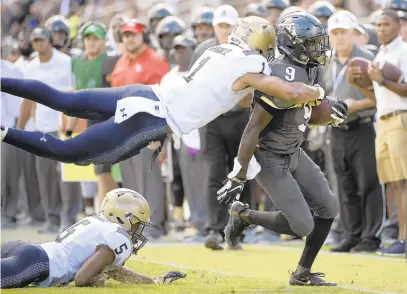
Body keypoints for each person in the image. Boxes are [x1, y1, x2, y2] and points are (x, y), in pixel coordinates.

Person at [0, 16, 326, 175]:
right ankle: (5, 133)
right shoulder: (252, 64)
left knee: (64, 100)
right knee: (71, 152)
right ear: (260, 46)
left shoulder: (219, 51)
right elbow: (284, 90)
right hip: (151, 117)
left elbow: (236, 98)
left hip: (143, 94)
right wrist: (315, 91)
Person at [217, 12, 347, 286]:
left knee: (328, 207)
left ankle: (302, 273)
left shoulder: (308, 66)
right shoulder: (280, 74)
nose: (318, 48)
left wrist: (330, 113)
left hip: (293, 151)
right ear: (293, 45)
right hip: (269, 157)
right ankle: (243, 215)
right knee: (301, 225)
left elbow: (300, 115)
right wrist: (239, 175)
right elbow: (252, 128)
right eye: (311, 43)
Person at [0, 188, 186, 288]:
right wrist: (97, 281)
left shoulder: (98, 223)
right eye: (137, 223)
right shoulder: (117, 236)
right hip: (38, 263)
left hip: (25, 250)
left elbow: (110, 269)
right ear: (124, 217)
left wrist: (150, 281)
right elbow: (82, 279)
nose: (137, 231)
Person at [320, 11, 383, 253]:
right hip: (337, 129)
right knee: (344, 185)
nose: (339, 37)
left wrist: (355, 104)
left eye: (343, 32)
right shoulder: (326, 62)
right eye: (334, 33)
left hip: (363, 126)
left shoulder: (366, 59)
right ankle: (351, 234)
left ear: (353, 33)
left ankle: (371, 236)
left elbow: (381, 98)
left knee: (368, 183)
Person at [349, 10, 407, 256]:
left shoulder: (403, 51)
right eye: (378, 24)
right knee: (393, 184)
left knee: (403, 182)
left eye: (386, 24)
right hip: (382, 120)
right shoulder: (381, 53)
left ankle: (404, 239)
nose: (381, 29)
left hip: (400, 118)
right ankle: (401, 237)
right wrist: (357, 83)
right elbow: (378, 97)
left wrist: (381, 80)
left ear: (398, 26)